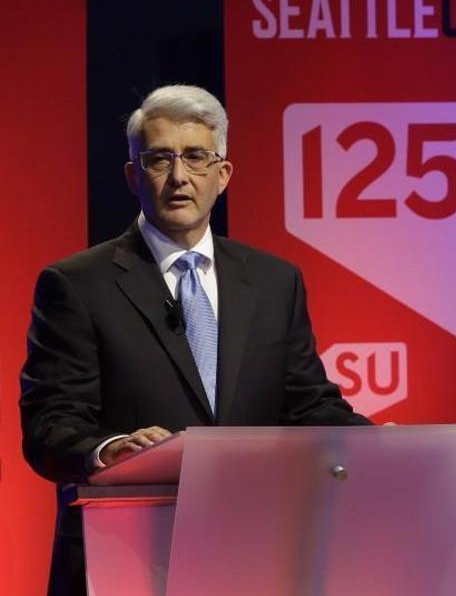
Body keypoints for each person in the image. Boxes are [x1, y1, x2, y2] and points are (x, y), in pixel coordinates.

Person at [19, 85, 371, 596]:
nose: (179, 176)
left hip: (252, 555)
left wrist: (379, 448)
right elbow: (48, 425)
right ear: (132, 175)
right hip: (125, 557)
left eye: (196, 157)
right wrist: (111, 449)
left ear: (222, 174)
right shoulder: (76, 284)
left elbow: (308, 404)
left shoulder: (274, 281)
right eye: (159, 158)